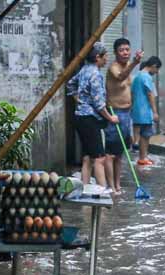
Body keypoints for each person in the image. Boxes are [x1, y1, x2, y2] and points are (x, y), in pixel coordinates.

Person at [66, 42, 118, 187]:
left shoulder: (84, 70)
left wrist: (79, 101)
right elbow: (99, 104)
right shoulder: (95, 74)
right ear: (97, 57)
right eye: (105, 56)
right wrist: (111, 118)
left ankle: (84, 189)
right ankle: (101, 192)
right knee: (99, 159)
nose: (107, 59)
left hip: (80, 117)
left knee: (88, 158)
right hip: (89, 119)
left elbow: (70, 84)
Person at [104, 38, 143, 194]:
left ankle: (118, 185)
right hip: (114, 113)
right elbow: (120, 76)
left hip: (126, 113)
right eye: (122, 50)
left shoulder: (128, 67)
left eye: (127, 49)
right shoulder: (113, 68)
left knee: (120, 154)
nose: (125, 52)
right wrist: (134, 63)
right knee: (110, 154)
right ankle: (111, 186)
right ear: (115, 53)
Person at [131, 56, 162, 166]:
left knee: (141, 134)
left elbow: (133, 93)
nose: (157, 72)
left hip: (136, 110)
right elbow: (150, 94)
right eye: (157, 69)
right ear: (153, 66)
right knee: (146, 135)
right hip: (145, 111)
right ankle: (143, 157)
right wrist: (155, 112)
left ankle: (143, 156)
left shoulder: (137, 76)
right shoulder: (146, 77)